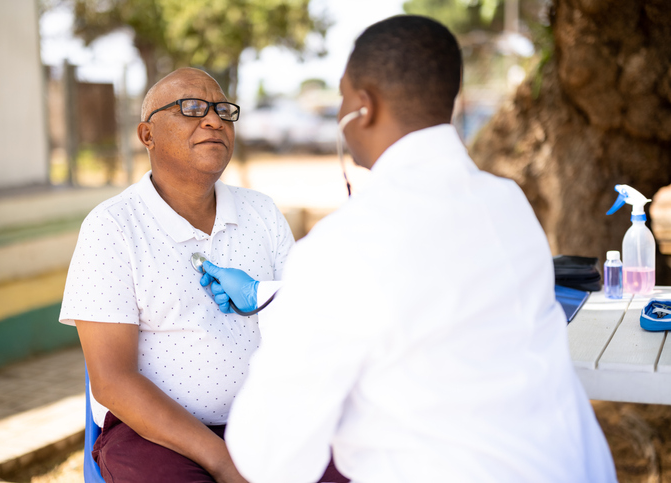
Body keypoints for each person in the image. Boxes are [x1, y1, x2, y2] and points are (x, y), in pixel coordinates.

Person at [200, 16, 618, 483]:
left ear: (364, 106)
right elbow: (431, 303)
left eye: (342, 95)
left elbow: (269, 457)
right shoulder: (507, 204)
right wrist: (271, 295)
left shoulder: (340, 246)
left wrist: (286, 316)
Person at [58, 67, 303, 483]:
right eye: (191, 108)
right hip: (153, 436)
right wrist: (224, 462)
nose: (213, 120)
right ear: (147, 136)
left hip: (267, 422)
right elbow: (112, 381)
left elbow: (307, 325)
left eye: (223, 110)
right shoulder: (113, 226)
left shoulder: (262, 213)